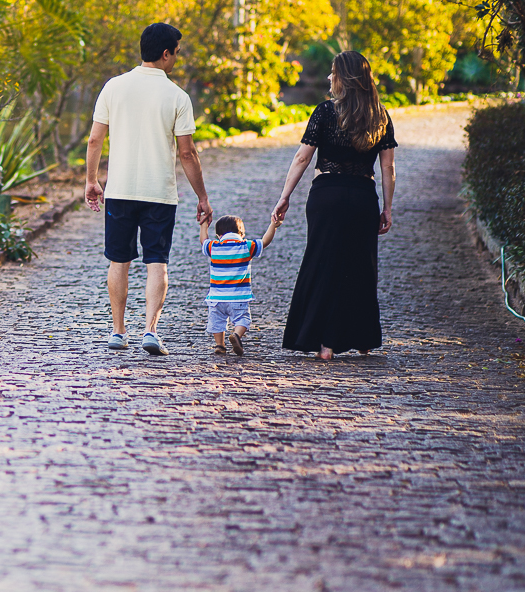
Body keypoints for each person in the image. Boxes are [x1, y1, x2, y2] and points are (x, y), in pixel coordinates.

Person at [85, 22, 212, 356]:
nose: (177, 59)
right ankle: (151, 332)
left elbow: (95, 138)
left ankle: (117, 331)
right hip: (159, 193)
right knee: (157, 261)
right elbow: (187, 153)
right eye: (177, 53)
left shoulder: (114, 87)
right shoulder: (177, 97)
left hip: (120, 189)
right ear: (166, 53)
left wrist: (91, 180)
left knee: (118, 259)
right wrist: (202, 196)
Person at [272, 50, 397, 361]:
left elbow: (303, 157)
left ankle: (325, 345)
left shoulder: (325, 112)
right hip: (363, 197)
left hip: (326, 196)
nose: (329, 77)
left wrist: (285, 195)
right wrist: (388, 208)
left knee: (323, 263)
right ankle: (364, 339)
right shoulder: (380, 115)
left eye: (333, 73)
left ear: (345, 78)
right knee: (361, 267)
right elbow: (388, 169)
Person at [200, 214, 281, 355]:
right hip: (239, 297)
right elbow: (264, 242)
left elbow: (203, 240)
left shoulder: (214, 247)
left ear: (219, 235)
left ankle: (220, 345)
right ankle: (236, 335)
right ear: (242, 234)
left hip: (216, 298)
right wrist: (273, 225)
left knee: (217, 322)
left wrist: (203, 225)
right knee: (243, 319)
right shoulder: (246, 246)